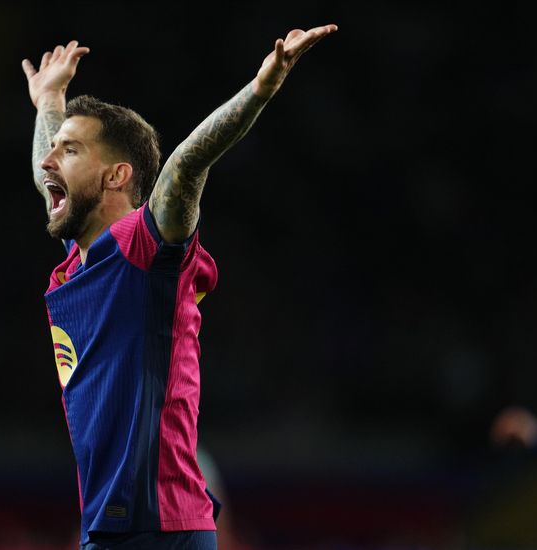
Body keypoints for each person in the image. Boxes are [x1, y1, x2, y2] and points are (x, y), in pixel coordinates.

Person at [21, 24, 338, 549]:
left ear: (116, 176)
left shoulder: (145, 249)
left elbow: (186, 165)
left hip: (162, 526)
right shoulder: (80, 259)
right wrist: (50, 100)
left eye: (70, 150)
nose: (49, 160)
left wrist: (259, 90)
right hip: (106, 527)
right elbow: (44, 176)